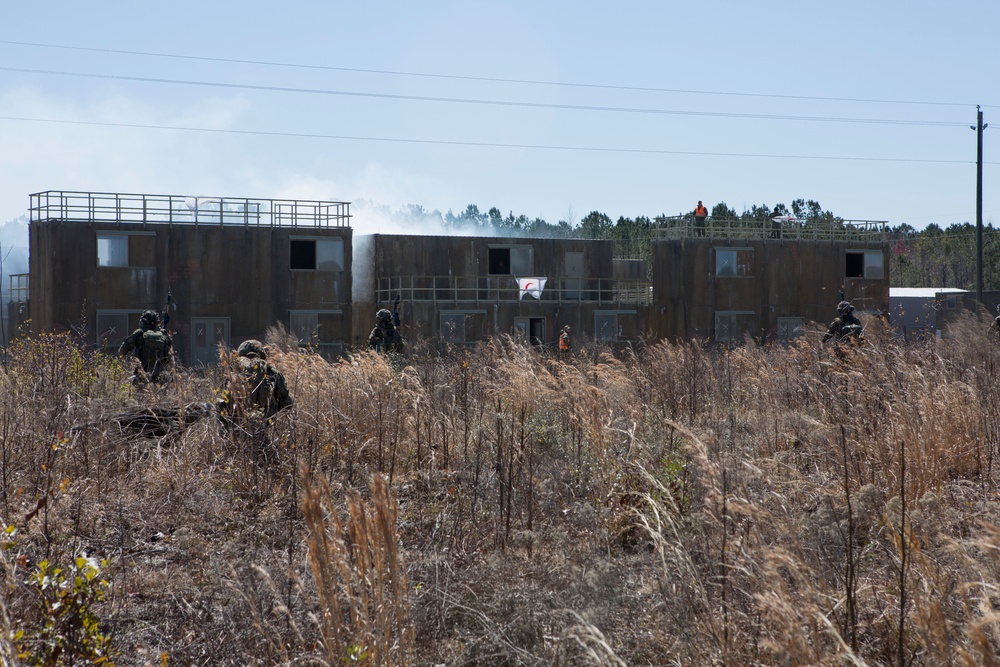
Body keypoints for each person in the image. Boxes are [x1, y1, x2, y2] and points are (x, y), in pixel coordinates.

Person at [218, 339, 293, 421]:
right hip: (265, 423)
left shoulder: (231, 374)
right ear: (262, 355)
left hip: (236, 424)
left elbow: (222, 402)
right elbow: (287, 404)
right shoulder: (273, 373)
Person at [119, 309, 173, 382]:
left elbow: (122, 351)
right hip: (161, 376)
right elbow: (170, 356)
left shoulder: (139, 333)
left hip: (142, 375)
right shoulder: (163, 334)